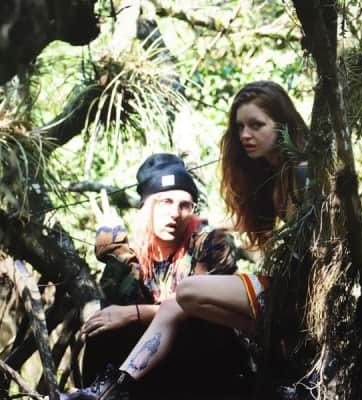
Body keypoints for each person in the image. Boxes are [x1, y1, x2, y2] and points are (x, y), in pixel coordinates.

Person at [63, 81, 308, 399]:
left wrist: (135, 313)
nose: (245, 135)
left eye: (256, 125)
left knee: (187, 293)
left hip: (285, 303)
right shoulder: (275, 180)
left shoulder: (302, 172)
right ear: (144, 207)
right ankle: (115, 388)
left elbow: (323, 247)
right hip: (274, 305)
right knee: (155, 313)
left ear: (283, 124)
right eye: (240, 127)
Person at [66, 153, 249, 399]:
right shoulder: (134, 255)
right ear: (145, 207)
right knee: (103, 323)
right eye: (165, 202)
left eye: (185, 205)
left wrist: (134, 313)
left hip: (208, 369)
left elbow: (198, 310)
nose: (175, 213)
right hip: (153, 374)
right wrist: (116, 256)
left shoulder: (210, 243)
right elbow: (115, 312)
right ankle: (99, 394)